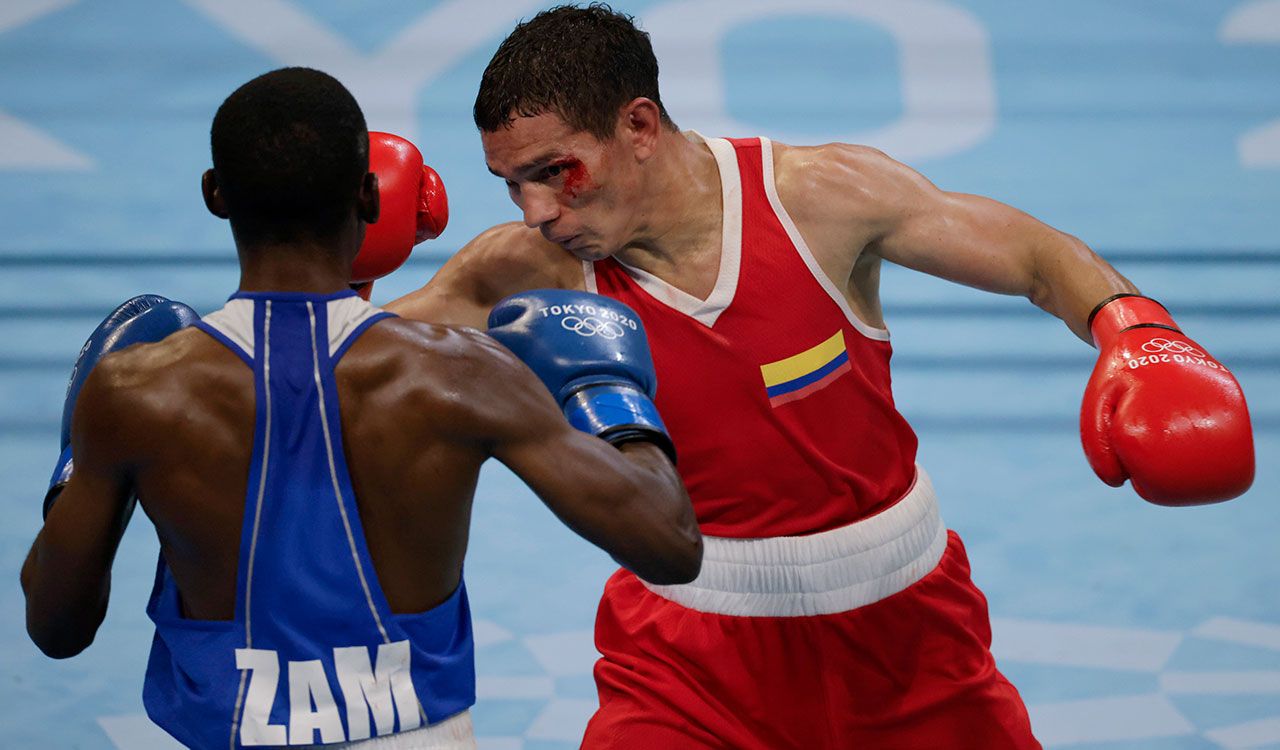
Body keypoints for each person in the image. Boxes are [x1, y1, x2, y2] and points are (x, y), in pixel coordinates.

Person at [385, 5, 1256, 748]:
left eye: (555, 172)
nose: (538, 210)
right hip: (683, 663)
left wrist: (1134, 329)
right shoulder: (525, 267)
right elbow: (357, 357)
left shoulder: (816, 197)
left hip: (910, 641)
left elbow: (1033, 256)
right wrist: (319, 245)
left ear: (639, 127)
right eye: (513, 185)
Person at [20, 66, 700, 750]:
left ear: (215, 195)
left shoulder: (137, 391)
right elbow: (668, 543)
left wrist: (75, 465)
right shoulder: (462, 374)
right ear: (371, 198)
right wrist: (606, 394)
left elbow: (57, 628)